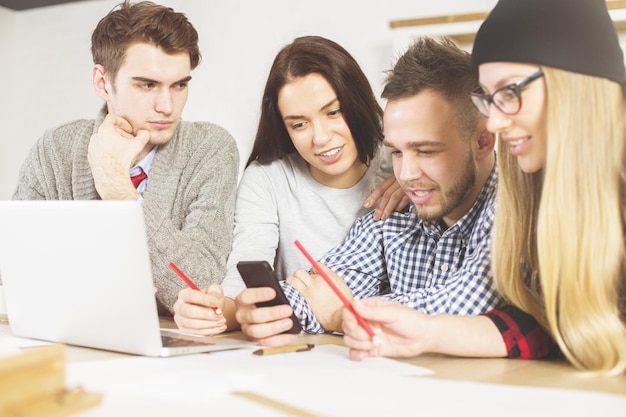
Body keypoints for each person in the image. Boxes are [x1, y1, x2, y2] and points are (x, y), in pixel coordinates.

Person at [343, 0, 626, 375]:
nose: (492, 123)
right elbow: (549, 324)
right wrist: (427, 333)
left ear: (573, 85)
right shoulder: (545, 197)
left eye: (509, 93)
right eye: (488, 99)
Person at [234, 36, 503, 346]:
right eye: (398, 153)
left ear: (483, 142)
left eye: (426, 151)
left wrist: (345, 315)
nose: (406, 175)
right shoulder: (394, 214)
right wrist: (269, 310)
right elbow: (321, 288)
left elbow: (467, 306)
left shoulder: (514, 208)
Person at [11, 1, 239, 314]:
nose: (167, 106)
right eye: (147, 85)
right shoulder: (56, 149)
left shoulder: (210, 149)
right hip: (69, 330)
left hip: (168, 341)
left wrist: (121, 192)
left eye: (180, 85)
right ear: (102, 83)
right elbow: (14, 267)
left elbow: (203, 288)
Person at [173, 35, 408, 334]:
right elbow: (243, 279)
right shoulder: (268, 179)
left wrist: (418, 180)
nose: (320, 138)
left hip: (393, 345)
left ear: (356, 101)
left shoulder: (403, 161)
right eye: (299, 124)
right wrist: (217, 312)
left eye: (333, 112)